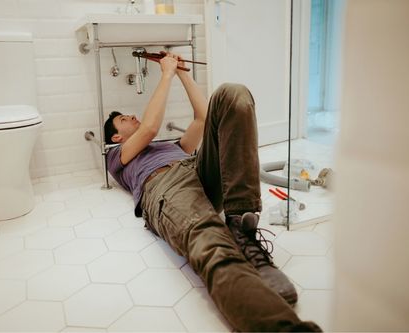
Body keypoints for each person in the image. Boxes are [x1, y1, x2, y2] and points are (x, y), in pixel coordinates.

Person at [104, 52, 321, 332]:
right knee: (211, 242)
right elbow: (149, 127)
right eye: (124, 118)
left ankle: (242, 228)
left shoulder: (169, 146)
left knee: (232, 95)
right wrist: (166, 73)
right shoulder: (116, 157)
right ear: (116, 138)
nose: (131, 115)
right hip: (165, 187)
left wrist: (182, 72)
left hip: (193, 167)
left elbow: (205, 117)